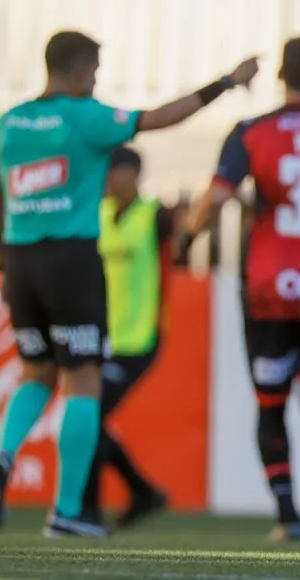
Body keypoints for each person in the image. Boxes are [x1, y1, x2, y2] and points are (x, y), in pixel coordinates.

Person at [0, 29, 258, 537]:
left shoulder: (8, 124)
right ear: (83, 70)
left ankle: (2, 457)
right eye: (97, 71)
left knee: (34, 372)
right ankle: (65, 511)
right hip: (71, 259)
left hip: (19, 262)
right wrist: (225, 83)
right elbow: (161, 118)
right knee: (81, 381)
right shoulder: (87, 117)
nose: (97, 79)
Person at [180, 35, 300, 542]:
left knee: (268, 405)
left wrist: (184, 238)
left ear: (282, 75)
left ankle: (287, 516)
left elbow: (216, 198)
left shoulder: (252, 132)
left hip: (269, 282)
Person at [79, 146, 172, 534]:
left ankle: (88, 511)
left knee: (90, 415)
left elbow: (178, 249)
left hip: (138, 338)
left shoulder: (156, 217)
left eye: (115, 172)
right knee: (90, 418)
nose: (110, 181)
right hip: (101, 338)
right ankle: (142, 493)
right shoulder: (97, 216)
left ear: (134, 174)